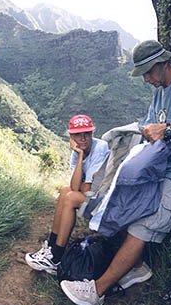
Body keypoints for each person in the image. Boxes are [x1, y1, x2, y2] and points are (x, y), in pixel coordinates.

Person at [60, 40, 171, 305]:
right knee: (129, 206)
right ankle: (136, 269)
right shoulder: (160, 91)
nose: (147, 79)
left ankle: (96, 292)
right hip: (160, 166)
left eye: (149, 72)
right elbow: (149, 124)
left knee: (144, 226)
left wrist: (167, 129)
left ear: (163, 64)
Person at [25, 114, 110, 275]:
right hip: (92, 194)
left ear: (92, 133)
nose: (83, 138)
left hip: (104, 199)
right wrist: (79, 155)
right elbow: (74, 185)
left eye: (87, 133)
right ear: (71, 136)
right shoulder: (78, 150)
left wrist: (80, 184)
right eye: (77, 134)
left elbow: (85, 190)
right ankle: (50, 249)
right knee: (65, 191)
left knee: (70, 197)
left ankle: (56, 258)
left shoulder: (100, 147)